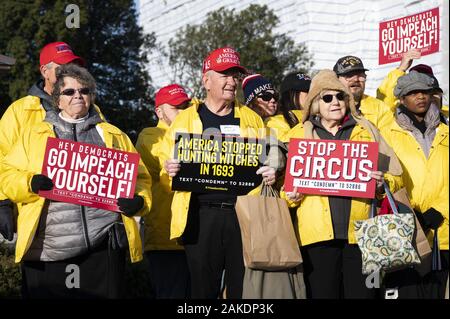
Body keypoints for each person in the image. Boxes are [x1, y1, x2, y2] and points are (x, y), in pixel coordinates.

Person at [0, 64, 152, 298]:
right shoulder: (33, 135)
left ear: (91, 97)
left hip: (103, 247)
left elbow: (140, 178)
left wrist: (139, 201)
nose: (77, 96)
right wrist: (29, 183)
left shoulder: (113, 134)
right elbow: (6, 173)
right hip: (48, 250)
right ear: (57, 100)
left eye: (84, 90)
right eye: (69, 92)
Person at [159, 47, 280, 299]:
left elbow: (269, 155)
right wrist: (168, 168)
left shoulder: (252, 119)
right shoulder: (185, 119)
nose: (231, 81)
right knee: (202, 290)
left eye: (235, 75)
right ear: (206, 80)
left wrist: (272, 170)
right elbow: (165, 164)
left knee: (242, 289)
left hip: (243, 216)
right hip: (199, 218)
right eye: (224, 74)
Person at [283, 69, 403, 299]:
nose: (335, 102)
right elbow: (281, 187)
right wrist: (291, 196)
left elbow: (396, 176)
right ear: (316, 103)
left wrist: (381, 184)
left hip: (363, 237)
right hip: (317, 239)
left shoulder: (367, 130)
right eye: (327, 98)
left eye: (340, 96)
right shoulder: (297, 134)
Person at [0, 42, 103, 242]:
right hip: (42, 226)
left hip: (92, 226)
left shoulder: (94, 111)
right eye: (61, 68)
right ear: (44, 72)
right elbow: (3, 159)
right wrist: (2, 203)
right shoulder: (19, 111)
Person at [382, 71, 448, 298]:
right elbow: (387, 175)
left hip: (445, 231)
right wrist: (406, 211)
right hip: (406, 231)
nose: (420, 96)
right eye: (413, 92)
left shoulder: (447, 131)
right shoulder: (387, 134)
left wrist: (440, 210)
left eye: (425, 91)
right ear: (401, 98)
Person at [135, 84, 191, 298]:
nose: (183, 112)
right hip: (164, 238)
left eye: (186, 106)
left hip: (193, 236)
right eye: (176, 107)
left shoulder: (195, 132)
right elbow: (168, 158)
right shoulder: (150, 136)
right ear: (159, 111)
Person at [376, 49, 448, 122]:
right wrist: (401, 69)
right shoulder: (397, 123)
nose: (424, 97)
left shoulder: (446, 118)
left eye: (433, 93)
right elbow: (384, 101)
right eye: (415, 93)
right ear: (403, 100)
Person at [333, 55, 394, 132]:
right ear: (336, 79)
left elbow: (391, 139)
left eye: (360, 75)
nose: (356, 79)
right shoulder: (324, 107)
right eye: (349, 75)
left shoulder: (379, 108)